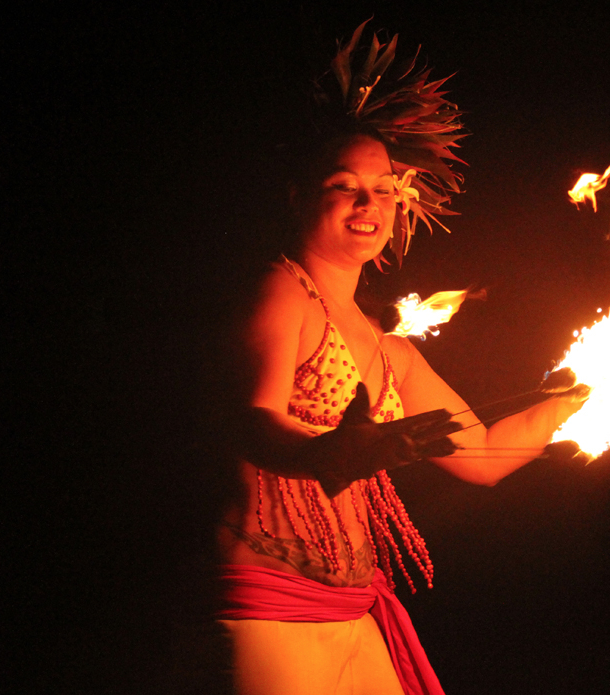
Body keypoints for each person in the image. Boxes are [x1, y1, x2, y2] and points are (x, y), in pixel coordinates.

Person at [215, 26, 587, 695]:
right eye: (345, 185)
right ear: (299, 194)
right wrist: (330, 452)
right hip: (269, 604)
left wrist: (587, 393)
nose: (370, 204)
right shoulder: (283, 289)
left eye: (385, 189)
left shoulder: (391, 350)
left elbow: (484, 455)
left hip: (353, 607)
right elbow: (254, 419)